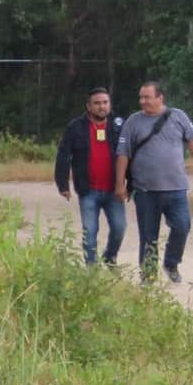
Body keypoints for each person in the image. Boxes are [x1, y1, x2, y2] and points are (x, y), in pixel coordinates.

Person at [114, 81, 193, 283]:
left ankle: (171, 263)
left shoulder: (179, 117)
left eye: (147, 97)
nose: (142, 101)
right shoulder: (133, 122)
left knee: (182, 226)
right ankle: (148, 276)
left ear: (160, 98)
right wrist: (119, 184)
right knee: (148, 236)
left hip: (176, 189)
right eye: (141, 97)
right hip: (145, 190)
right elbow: (123, 154)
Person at [54, 87, 126, 265]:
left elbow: (129, 154)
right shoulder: (75, 127)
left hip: (113, 190)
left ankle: (110, 257)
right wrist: (63, 184)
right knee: (90, 231)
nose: (102, 106)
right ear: (88, 106)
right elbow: (64, 155)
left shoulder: (119, 126)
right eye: (97, 103)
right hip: (88, 190)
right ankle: (91, 270)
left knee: (119, 228)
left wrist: (129, 184)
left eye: (105, 102)